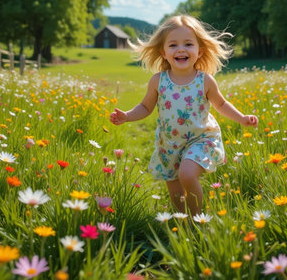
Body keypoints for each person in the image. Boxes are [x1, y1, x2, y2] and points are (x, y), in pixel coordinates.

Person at [110, 15, 258, 216]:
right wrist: (127, 116)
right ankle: (183, 223)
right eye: (173, 45)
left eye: (188, 44)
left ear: (200, 51)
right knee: (176, 192)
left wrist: (242, 118)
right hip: (169, 144)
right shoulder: (158, 81)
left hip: (201, 139)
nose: (181, 49)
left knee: (187, 175)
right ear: (163, 52)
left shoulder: (205, 81)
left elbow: (221, 104)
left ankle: (198, 221)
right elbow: (145, 107)